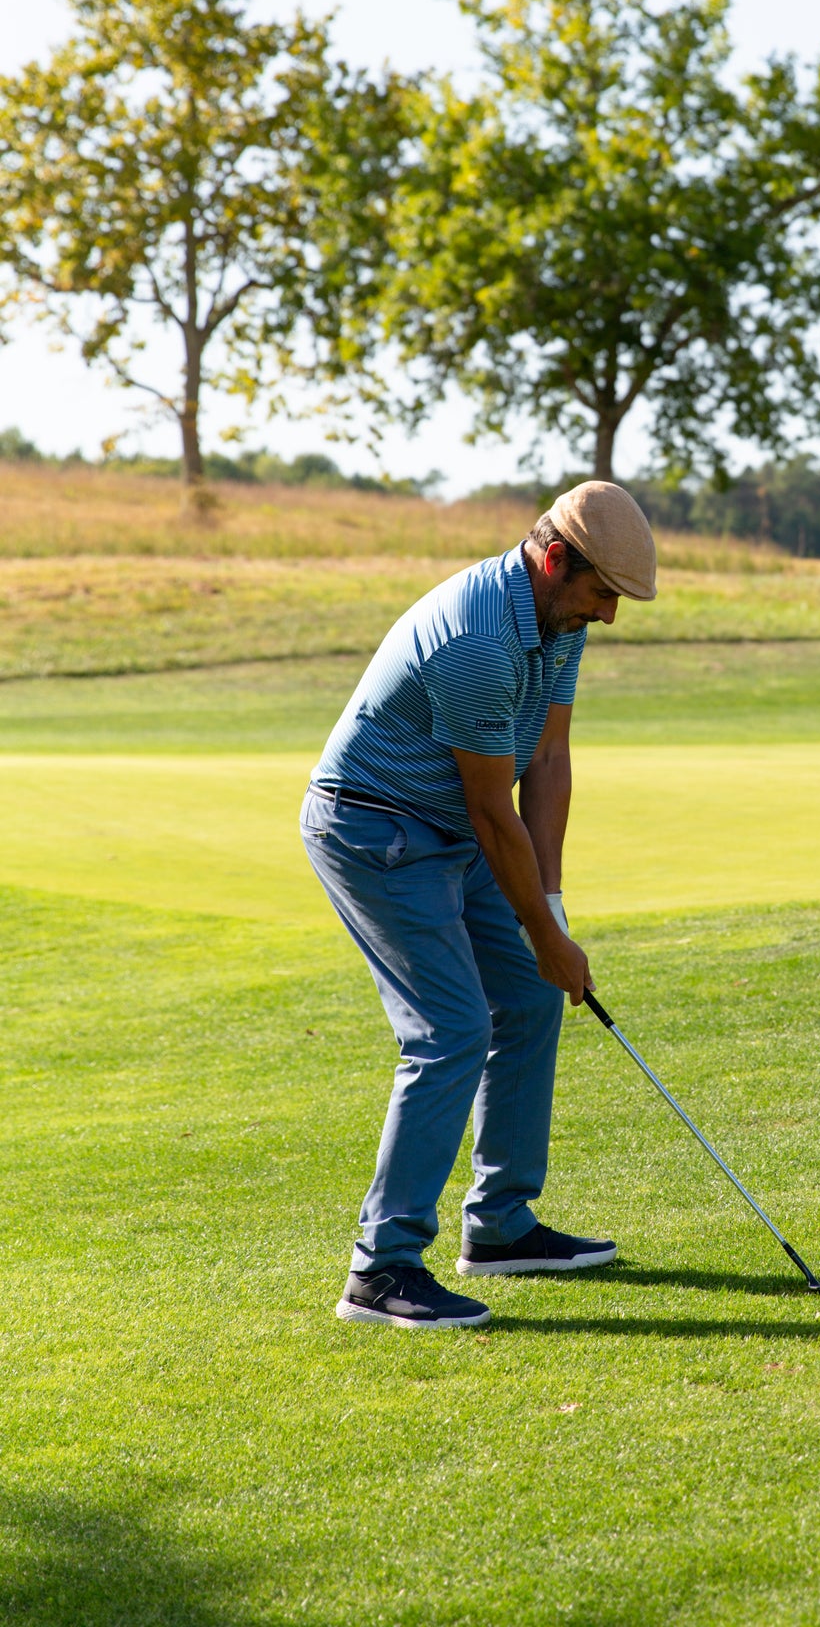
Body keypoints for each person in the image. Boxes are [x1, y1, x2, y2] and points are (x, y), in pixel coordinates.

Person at [300, 480, 658, 1329]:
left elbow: (550, 755)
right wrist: (543, 930)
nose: (608, 615)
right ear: (553, 557)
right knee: (450, 1028)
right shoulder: (478, 641)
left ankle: (500, 1228)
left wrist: (554, 911)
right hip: (376, 829)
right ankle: (380, 1271)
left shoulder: (554, 618)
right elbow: (495, 812)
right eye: (602, 593)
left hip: (451, 828)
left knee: (534, 990)